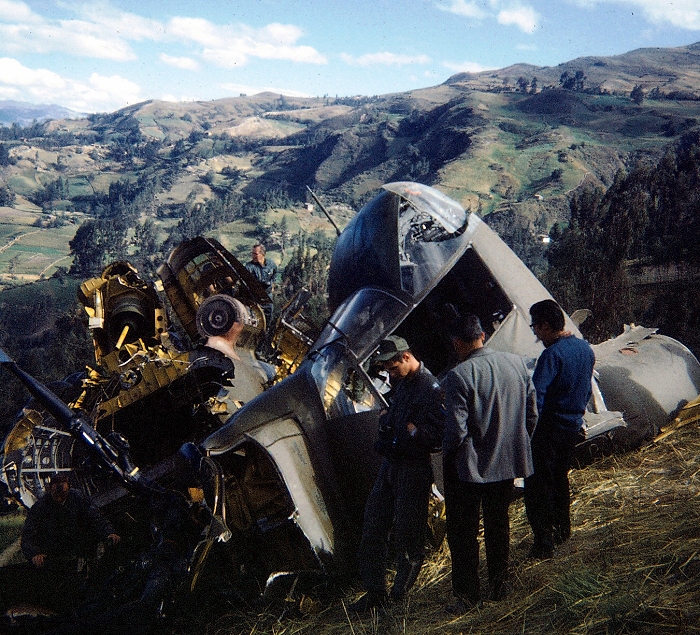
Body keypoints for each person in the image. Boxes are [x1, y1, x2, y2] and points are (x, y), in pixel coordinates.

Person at [441, 315, 538, 615]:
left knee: (463, 532)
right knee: (499, 524)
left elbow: (456, 432)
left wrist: (446, 456)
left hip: (471, 469)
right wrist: (513, 445)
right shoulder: (518, 364)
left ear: (457, 343)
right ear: (482, 335)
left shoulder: (459, 376)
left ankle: (469, 596)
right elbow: (531, 416)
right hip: (507, 462)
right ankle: (500, 584)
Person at [350, 335, 444, 612]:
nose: (390, 375)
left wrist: (415, 434)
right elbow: (394, 419)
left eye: (392, 368)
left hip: (413, 468)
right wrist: (387, 424)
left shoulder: (430, 387)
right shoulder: (402, 385)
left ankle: (399, 596)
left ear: (406, 357)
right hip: (391, 465)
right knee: (373, 525)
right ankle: (374, 593)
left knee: (408, 533)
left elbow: (440, 434)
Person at [524, 299, 596, 559]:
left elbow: (536, 399)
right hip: (572, 426)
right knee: (560, 478)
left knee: (537, 485)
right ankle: (563, 530)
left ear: (544, 325)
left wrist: (527, 430)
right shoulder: (584, 348)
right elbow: (587, 389)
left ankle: (543, 543)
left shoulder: (551, 356)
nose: (535, 334)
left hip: (549, 429)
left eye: (535, 328)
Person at [19, 473, 120, 610]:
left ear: (69, 488)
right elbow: (28, 536)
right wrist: (34, 554)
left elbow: (96, 517)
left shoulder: (78, 498)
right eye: (56, 494)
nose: (59, 497)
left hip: (79, 549)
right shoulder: (40, 507)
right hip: (54, 555)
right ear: (50, 489)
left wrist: (109, 532)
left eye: (63, 494)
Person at [245, 243, 277, 331]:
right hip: (254, 298)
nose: (253, 256)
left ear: (263, 254)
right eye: (252, 254)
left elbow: (275, 274)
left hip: (267, 297)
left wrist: (272, 285)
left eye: (255, 254)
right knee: (253, 320)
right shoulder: (249, 267)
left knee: (268, 318)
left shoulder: (271, 264)